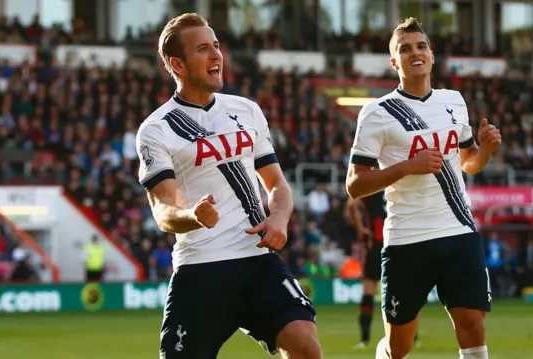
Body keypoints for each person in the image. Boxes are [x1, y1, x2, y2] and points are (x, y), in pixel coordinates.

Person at [136, 13, 321, 359]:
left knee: (306, 344)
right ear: (177, 64)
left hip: (257, 259)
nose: (216, 55)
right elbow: (163, 211)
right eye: (203, 49)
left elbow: (277, 184)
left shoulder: (246, 111)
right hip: (202, 267)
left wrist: (279, 218)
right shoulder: (156, 129)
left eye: (217, 46)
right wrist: (193, 215)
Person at [345, 18, 502, 359]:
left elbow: (467, 162)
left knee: (473, 328)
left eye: (420, 46)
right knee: (399, 347)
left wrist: (485, 150)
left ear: (431, 54)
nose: (414, 52)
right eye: (405, 48)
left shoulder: (453, 101)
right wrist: (406, 167)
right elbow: (355, 185)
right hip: (407, 239)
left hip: (458, 231)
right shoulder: (377, 112)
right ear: (394, 62)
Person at [347, 192, 420, 350]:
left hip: (376, 246)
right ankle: (413, 337)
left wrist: (361, 228)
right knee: (404, 293)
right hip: (396, 245)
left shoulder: (372, 186)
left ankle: (364, 340)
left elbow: (351, 204)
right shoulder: (395, 183)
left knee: (369, 293)